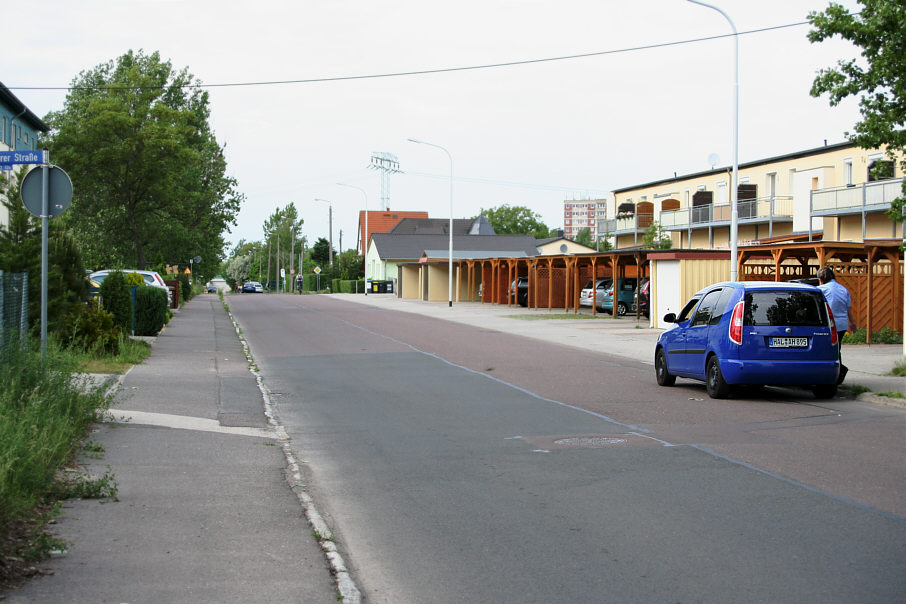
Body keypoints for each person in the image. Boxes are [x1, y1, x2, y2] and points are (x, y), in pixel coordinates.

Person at [817, 266, 854, 384]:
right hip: (842, 324)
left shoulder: (821, 290)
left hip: (829, 324)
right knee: (837, 348)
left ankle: (838, 371)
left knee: (828, 349)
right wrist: (852, 323)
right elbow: (848, 309)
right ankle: (839, 372)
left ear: (821, 279)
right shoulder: (843, 289)